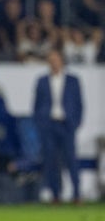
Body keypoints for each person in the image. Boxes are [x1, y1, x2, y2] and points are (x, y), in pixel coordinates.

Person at [33, 49, 83, 203]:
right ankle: (56, 194)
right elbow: (37, 105)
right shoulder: (42, 81)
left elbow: (79, 104)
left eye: (56, 59)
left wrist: (75, 123)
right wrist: (41, 123)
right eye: (51, 60)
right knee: (51, 161)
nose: (54, 63)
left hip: (66, 125)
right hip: (49, 125)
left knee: (71, 160)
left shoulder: (73, 80)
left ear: (62, 61)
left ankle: (76, 194)